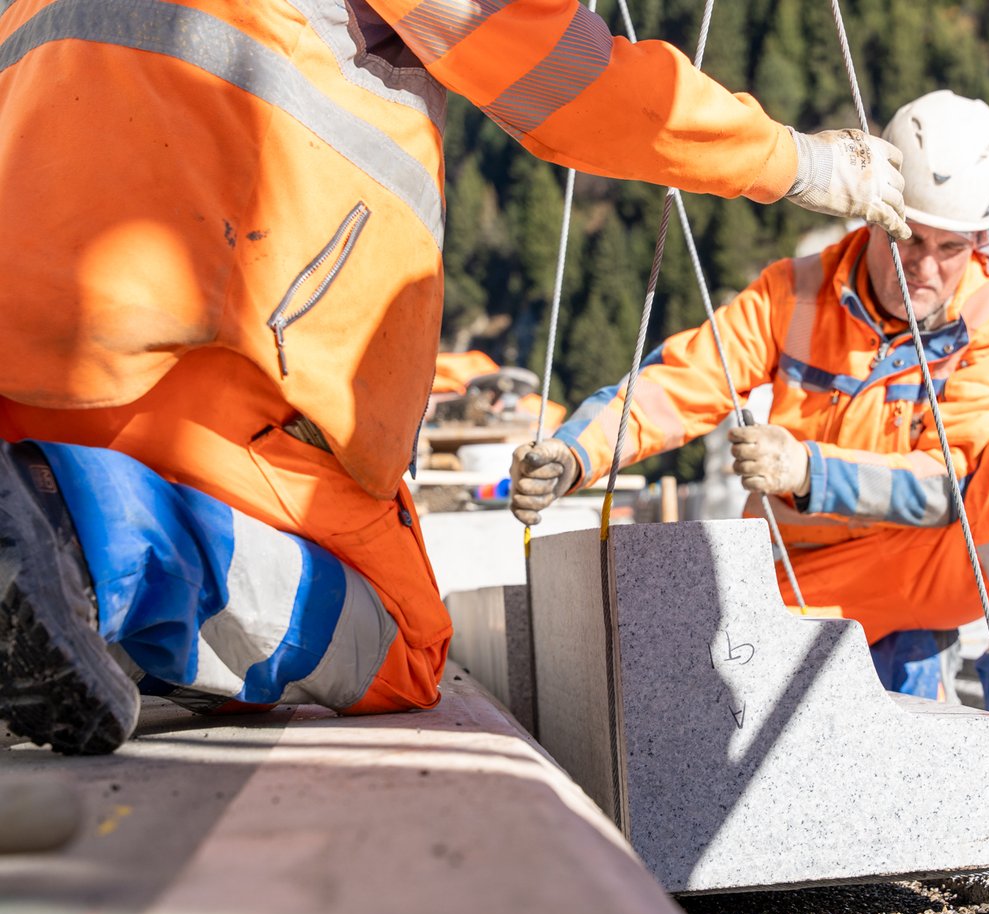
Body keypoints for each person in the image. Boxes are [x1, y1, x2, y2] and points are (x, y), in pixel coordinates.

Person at [0, 0, 909, 756]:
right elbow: (571, 80)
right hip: (207, 352)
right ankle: (81, 534)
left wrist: (580, 447)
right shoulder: (807, 291)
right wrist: (808, 163)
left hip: (26, 361)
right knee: (401, 643)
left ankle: (70, 586)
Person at [511, 90, 989, 791]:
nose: (926, 269)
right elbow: (683, 380)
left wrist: (808, 468)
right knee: (818, 769)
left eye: (950, 249)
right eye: (907, 238)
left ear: (982, 241)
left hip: (927, 566)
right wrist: (577, 451)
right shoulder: (796, 292)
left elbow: (946, 486)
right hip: (803, 577)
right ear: (877, 216)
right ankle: (903, 666)